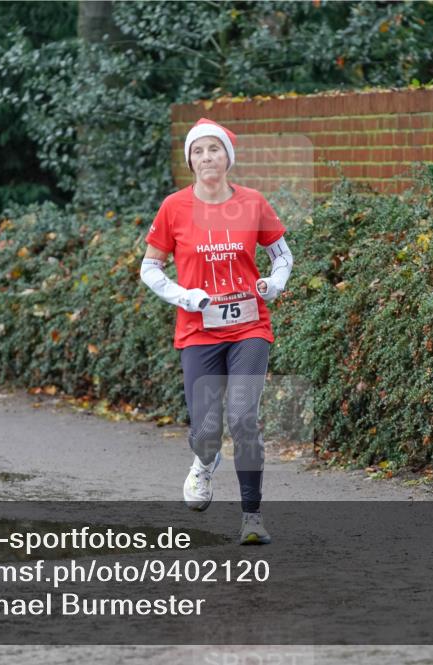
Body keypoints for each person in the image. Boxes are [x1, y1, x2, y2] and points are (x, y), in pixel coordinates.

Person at [140, 118, 293, 545]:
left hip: (250, 327)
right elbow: (150, 268)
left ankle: (252, 518)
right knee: (207, 430)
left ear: (228, 156)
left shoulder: (253, 202)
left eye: (215, 149)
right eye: (198, 151)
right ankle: (204, 462)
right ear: (190, 160)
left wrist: (275, 283)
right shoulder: (174, 207)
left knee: (243, 418)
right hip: (198, 331)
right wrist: (185, 296)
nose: (207, 157)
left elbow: (282, 255)